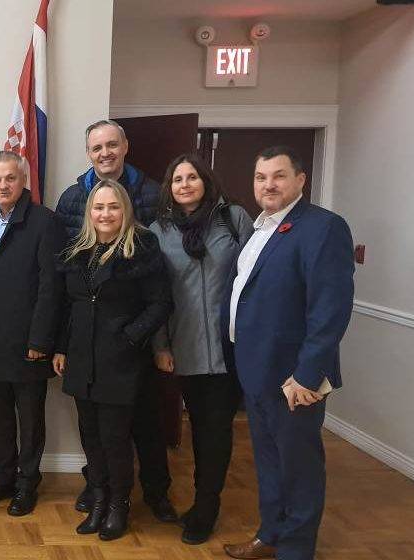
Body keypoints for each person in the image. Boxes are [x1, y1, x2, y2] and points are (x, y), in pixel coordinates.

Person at [223, 146, 354, 560]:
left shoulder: (323, 228)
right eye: (261, 177)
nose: (269, 185)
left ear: (300, 180)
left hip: (294, 378)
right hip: (256, 370)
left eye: (279, 176)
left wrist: (308, 374)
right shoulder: (260, 228)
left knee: (299, 468)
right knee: (268, 462)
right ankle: (271, 534)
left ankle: (295, 550)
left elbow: (329, 309)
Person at [56, 120, 177, 523]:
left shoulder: (143, 241)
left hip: (123, 359)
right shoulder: (78, 248)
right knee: (92, 437)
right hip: (83, 358)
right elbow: (69, 302)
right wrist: (62, 346)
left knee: (124, 435)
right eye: (98, 207)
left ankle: (124, 503)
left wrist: (132, 339)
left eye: (113, 207)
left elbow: (160, 302)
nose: (105, 212)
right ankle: (100, 498)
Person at [149, 154, 254, 545]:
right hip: (186, 346)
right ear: (169, 188)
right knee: (196, 427)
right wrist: (161, 345)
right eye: (177, 179)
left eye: (192, 177)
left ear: (206, 181)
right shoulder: (159, 231)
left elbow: (254, 278)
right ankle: (199, 500)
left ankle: (206, 508)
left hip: (231, 348)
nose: (185, 184)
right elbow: (157, 294)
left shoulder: (233, 219)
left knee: (216, 431)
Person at [0, 151, 65, 516]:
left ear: (23, 180)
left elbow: (51, 286)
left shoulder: (45, 222)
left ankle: (27, 484)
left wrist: (41, 340)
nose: (3, 185)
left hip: (28, 342)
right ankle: (3, 477)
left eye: (10, 178)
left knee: (30, 419)